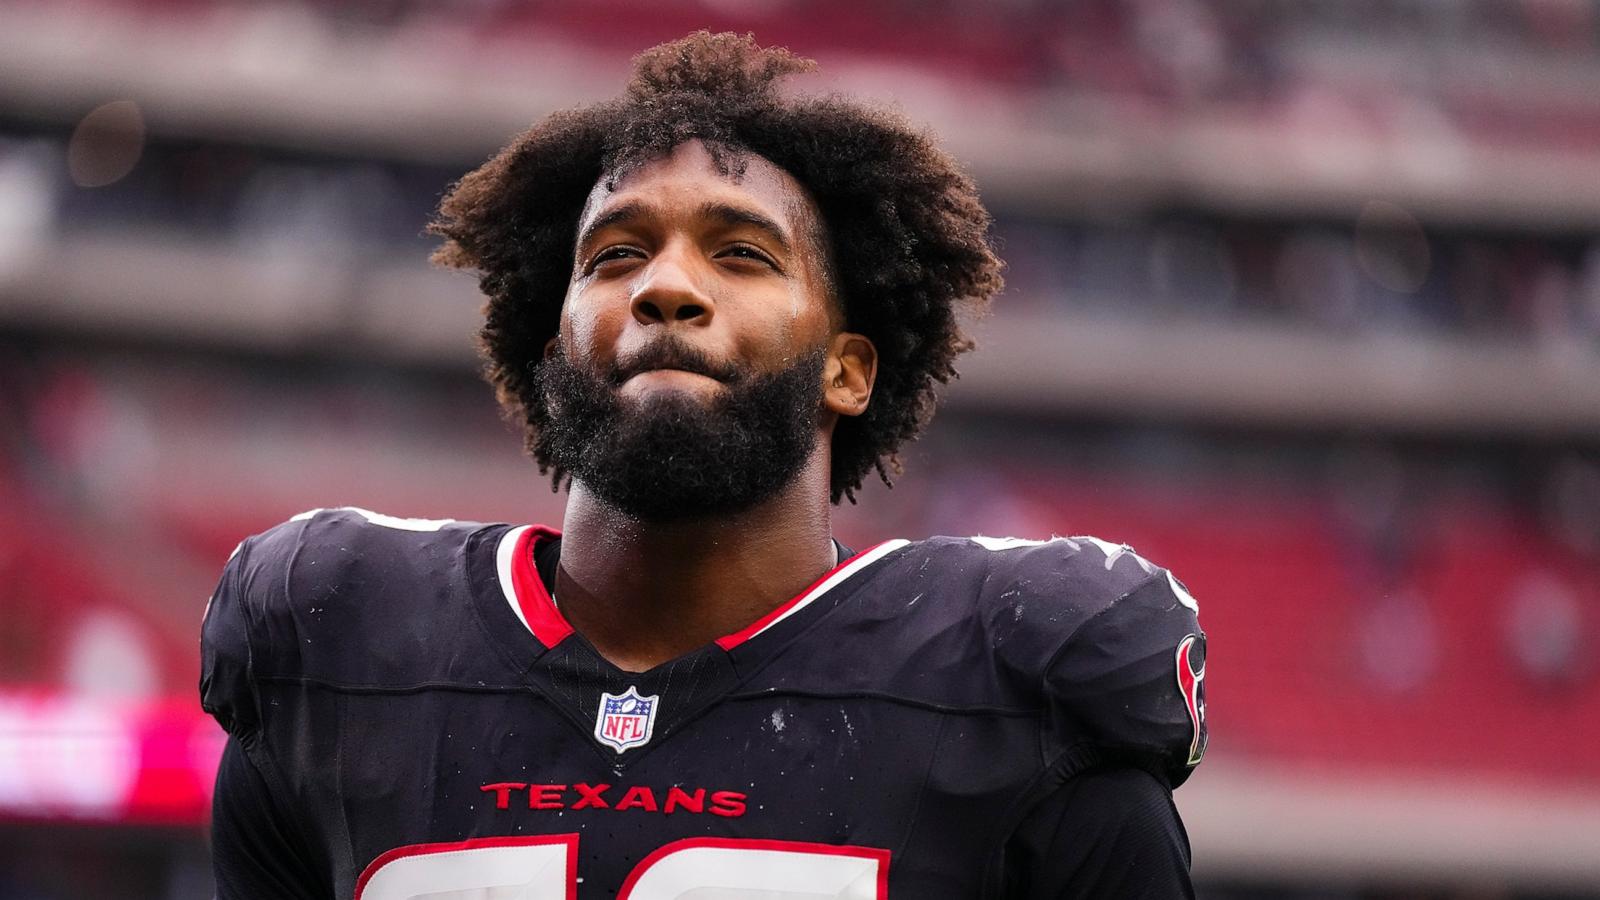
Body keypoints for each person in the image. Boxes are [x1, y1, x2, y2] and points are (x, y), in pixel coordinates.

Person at [201, 32, 1207, 899]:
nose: (666, 287)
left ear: (849, 370)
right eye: (614, 256)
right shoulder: (335, 651)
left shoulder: (1019, 699)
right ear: (552, 353)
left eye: (741, 255)